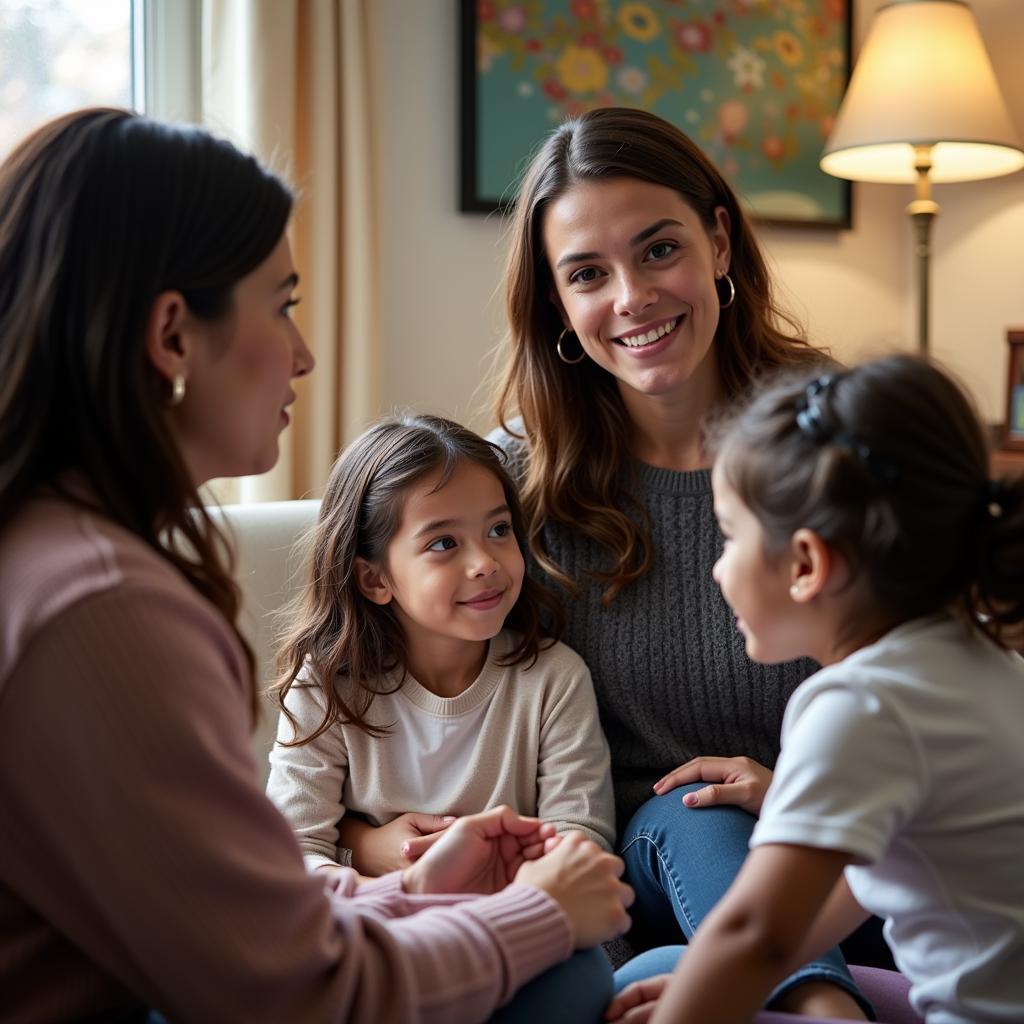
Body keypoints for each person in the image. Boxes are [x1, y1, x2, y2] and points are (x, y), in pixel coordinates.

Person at [0, 107, 634, 1023]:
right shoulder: (98, 607)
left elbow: (226, 914)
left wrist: (405, 892)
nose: (302, 356)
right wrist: (532, 917)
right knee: (565, 975)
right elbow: (290, 985)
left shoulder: (49, 552)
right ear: (174, 336)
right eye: (282, 304)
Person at [490, 105, 873, 1017]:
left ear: (720, 242)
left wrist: (792, 798)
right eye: (588, 273)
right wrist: (365, 832)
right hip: (659, 871)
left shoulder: (841, 440)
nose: (631, 296)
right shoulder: (511, 487)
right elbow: (399, 691)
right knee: (697, 812)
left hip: (854, 856)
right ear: (556, 302)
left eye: (659, 250)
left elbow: (926, 681)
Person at [607, 354, 1024, 1023]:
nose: (717, 571)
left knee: (649, 986)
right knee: (671, 970)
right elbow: (849, 894)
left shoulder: (860, 705)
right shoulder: (986, 664)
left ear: (805, 563)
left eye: (729, 535)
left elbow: (754, 936)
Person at [265, 413, 615, 876]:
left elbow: (580, 838)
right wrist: (365, 857)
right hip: (376, 928)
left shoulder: (554, 679)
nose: (485, 563)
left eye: (498, 529)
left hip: (519, 925)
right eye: (444, 542)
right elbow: (289, 854)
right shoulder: (326, 687)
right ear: (374, 578)